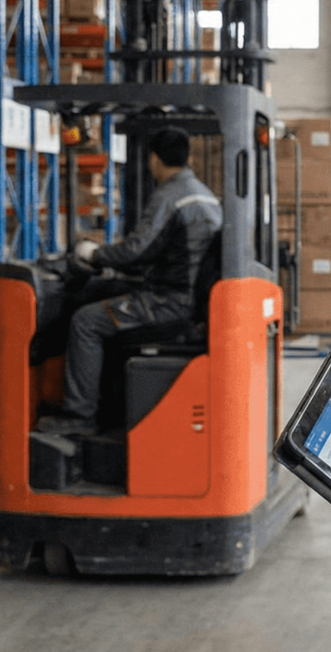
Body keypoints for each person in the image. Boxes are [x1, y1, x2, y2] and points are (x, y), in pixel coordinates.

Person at [36, 127, 222, 436]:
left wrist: (95, 253)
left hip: (168, 302)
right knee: (101, 291)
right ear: (187, 156)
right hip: (185, 295)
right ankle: (103, 400)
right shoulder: (204, 193)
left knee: (85, 321)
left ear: (154, 159)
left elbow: (138, 250)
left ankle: (79, 416)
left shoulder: (170, 195)